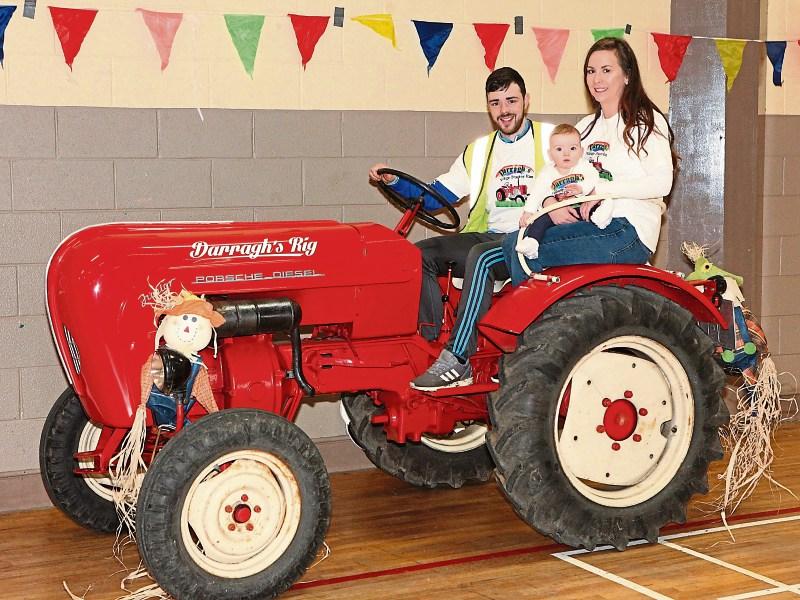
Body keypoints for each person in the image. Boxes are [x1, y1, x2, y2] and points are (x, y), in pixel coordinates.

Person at [369, 67, 552, 391]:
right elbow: (436, 197)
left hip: (533, 240)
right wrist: (395, 181)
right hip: (490, 235)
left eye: (511, 100)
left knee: (482, 255)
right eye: (495, 103)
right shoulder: (479, 150)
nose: (504, 110)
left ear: (526, 100)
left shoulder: (554, 139)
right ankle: (428, 341)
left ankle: (458, 359)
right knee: (418, 254)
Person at [502, 36, 676, 287]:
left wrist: (601, 191)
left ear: (627, 75)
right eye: (591, 71)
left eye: (606, 70)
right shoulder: (584, 127)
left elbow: (662, 183)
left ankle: (528, 322)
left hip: (627, 229)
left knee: (517, 248)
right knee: (516, 241)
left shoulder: (645, 122)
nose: (597, 79)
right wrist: (552, 202)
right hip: (589, 223)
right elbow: (557, 174)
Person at [515, 123, 608, 261]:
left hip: (581, 207)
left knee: (599, 203)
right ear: (550, 154)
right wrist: (528, 211)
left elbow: (594, 178)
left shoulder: (584, 166)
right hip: (557, 212)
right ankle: (532, 243)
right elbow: (537, 192)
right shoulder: (547, 172)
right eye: (559, 149)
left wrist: (582, 188)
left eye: (572, 148)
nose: (566, 153)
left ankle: (603, 216)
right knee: (540, 220)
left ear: (581, 152)